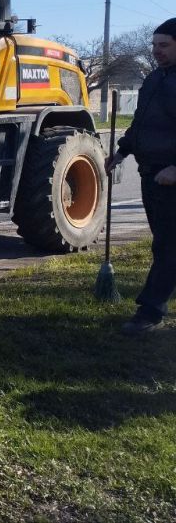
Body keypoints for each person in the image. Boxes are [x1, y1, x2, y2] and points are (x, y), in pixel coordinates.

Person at [105, 17, 176, 335]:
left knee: (168, 246)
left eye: (164, 45)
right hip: (152, 177)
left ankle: (149, 311)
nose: (156, 51)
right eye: (154, 45)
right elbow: (141, 123)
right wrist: (122, 151)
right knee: (165, 244)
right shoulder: (154, 79)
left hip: (171, 177)